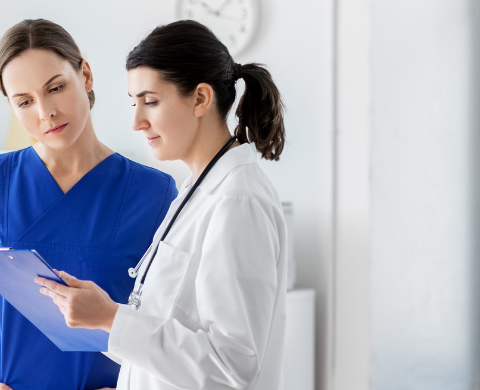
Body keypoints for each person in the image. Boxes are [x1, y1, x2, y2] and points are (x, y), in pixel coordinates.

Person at [0, 19, 179, 390]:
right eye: (24, 102)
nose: (45, 112)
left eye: (55, 88)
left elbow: (163, 327)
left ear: (85, 76)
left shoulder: (153, 194)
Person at [35, 20, 289, 390]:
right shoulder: (196, 190)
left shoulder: (238, 201)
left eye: (150, 102)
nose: (137, 122)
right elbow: (169, 332)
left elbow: (232, 365)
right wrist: (101, 315)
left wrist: (112, 318)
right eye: (133, 102)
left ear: (201, 99)